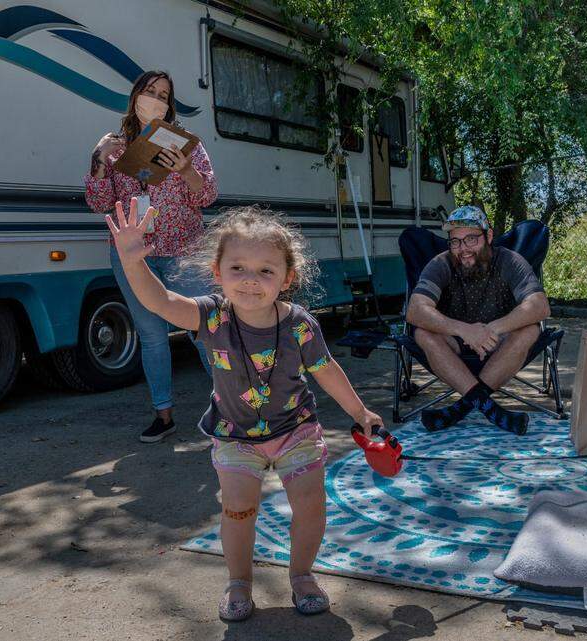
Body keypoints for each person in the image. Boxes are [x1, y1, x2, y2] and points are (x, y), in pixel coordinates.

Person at [106, 201, 382, 621]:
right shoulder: (210, 316)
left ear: (287, 278)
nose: (251, 281)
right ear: (217, 272)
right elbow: (160, 301)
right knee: (238, 511)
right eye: (238, 268)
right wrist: (131, 260)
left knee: (311, 505)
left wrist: (361, 413)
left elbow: (326, 370)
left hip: (296, 430)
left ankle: (302, 576)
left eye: (266, 271)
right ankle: (239, 582)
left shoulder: (301, 324)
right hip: (235, 435)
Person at [84, 71, 218, 443]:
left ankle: (233, 409)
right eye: (149, 91)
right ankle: (164, 415)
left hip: (185, 251)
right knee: (152, 336)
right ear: (135, 95)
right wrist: (98, 160)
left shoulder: (185, 144)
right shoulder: (114, 147)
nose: (156, 99)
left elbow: (207, 196)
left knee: (203, 329)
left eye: (164, 94)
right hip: (134, 257)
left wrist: (186, 169)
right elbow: (98, 203)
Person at [404, 206, 551, 435]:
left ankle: (460, 409)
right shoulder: (441, 263)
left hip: (499, 343)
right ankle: (492, 410)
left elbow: (539, 306)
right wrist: (464, 330)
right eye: (455, 241)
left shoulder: (510, 260)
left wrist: (490, 329)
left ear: (489, 236)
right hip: (453, 344)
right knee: (423, 333)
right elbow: (415, 310)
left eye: (471, 239)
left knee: (530, 330)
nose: (463, 249)